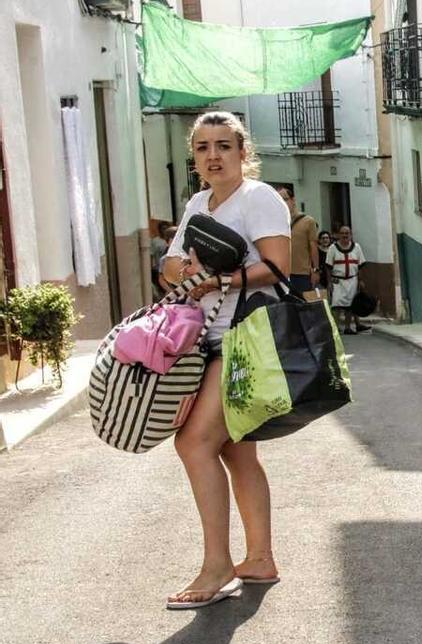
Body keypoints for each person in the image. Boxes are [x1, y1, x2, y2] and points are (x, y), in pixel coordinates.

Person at [160, 111, 291, 610]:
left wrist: (221, 278)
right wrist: (184, 268)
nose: (213, 156)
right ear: (194, 158)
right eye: (202, 148)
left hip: (246, 338)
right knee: (237, 452)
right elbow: (172, 265)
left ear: (242, 150)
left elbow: (278, 266)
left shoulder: (258, 198)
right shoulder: (198, 202)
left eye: (223, 145)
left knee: (194, 442)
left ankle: (217, 565)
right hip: (206, 338)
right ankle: (259, 558)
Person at [327, 225, 369, 334]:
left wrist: (361, 280)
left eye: (347, 233)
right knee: (336, 305)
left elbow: (360, 265)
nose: (345, 235)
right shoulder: (333, 248)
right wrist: (329, 282)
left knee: (350, 305)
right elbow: (328, 266)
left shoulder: (357, 247)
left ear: (350, 235)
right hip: (338, 281)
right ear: (339, 235)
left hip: (352, 280)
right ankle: (335, 328)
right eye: (342, 233)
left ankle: (347, 328)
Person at [277, 186, 320, 293]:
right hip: (282, 273)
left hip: (302, 274)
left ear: (293, 200)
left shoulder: (308, 221)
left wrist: (315, 270)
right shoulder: (276, 222)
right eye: (278, 200)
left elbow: (313, 247)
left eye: (285, 199)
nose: (282, 203)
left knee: (302, 306)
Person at [152, 224, 177, 297]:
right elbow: (161, 279)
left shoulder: (187, 257)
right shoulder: (164, 259)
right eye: (173, 242)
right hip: (172, 293)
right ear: (167, 243)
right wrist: (171, 291)